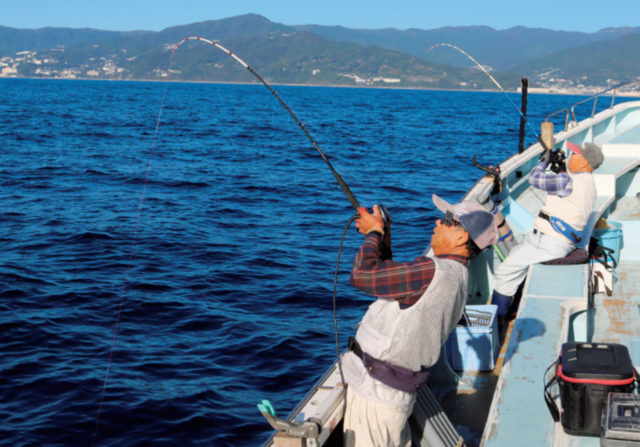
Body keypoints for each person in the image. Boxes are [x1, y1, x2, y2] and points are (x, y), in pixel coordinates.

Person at [341, 195, 498, 447]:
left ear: (461, 238)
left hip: (377, 396)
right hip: (391, 394)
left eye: (448, 220)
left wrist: (374, 232)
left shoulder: (432, 271)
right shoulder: (456, 274)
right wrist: (383, 238)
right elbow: (393, 283)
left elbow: (362, 275)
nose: (438, 221)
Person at [490, 142, 604, 320]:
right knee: (515, 254)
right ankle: (514, 308)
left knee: (505, 272)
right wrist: (560, 170)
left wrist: (543, 162)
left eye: (574, 154)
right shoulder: (589, 183)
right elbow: (567, 193)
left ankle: (494, 322)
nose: (569, 156)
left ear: (583, 163)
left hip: (548, 243)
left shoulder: (568, 181)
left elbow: (534, 179)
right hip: (559, 242)